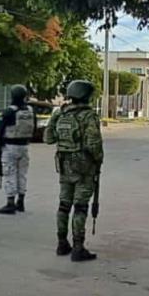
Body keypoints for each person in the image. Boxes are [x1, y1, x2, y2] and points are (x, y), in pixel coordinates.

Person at [45, 80, 103, 261]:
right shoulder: (88, 116)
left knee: (64, 205)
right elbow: (93, 143)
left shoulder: (62, 115)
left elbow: (48, 138)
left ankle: (62, 243)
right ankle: (78, 247)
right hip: (84, 167)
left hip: (64, 165)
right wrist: (98, 160)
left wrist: (54, 117)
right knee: (80, 206)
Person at [0, 85, 35, 214]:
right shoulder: (30, 110)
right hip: (25, 147)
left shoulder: (9, 111)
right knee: (22, 174)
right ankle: (21, 202)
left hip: (10, 146)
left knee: (9, 174)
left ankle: (10, 203)